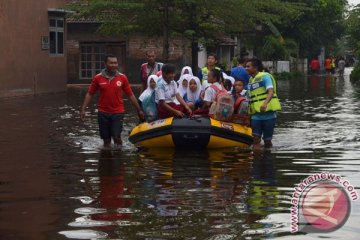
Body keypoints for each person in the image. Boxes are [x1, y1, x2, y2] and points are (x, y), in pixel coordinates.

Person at [80, 54, 145, 148]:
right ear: (105, 64)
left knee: (116, 137)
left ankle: (118, 158)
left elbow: (130, 95)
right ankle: (107, 160)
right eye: (111, 63)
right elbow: (90, 93)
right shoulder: (98, 78)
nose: (114, 65)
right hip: (103, 113)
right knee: (106, 141)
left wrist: (139, 109)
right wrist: (83, 109)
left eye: (115, 63)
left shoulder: (122, 78)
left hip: (117, 112)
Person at [246, 58, 281, 150]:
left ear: (255, 67)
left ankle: (267, 160)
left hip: (268, 115)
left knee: (267, 141)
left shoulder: (265, 77)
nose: (246, 68)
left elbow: (271, 91)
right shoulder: (250, 80)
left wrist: (265, 104)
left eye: (248, 66)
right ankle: (256, 162)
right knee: (256, 139)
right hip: (256, 115)